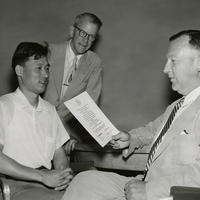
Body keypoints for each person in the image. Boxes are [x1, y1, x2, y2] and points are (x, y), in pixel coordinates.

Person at [61, 29, 200, 200]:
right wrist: (131, 138)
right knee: (86, 181)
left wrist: (150, 191)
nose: (165, 69)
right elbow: (152, 130)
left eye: (173, 61)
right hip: (147, 182)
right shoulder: (177, 106)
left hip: (170, 192)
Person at [0, 42, 73, 200]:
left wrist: (63, 175)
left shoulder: (50, 110)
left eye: (47, 68)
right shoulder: (3, 106)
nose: (46, 75)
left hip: (48, 184)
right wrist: (41, 176)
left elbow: (58, 153)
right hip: (16, 186)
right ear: (20, 70)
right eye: (38, 68)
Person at [43, 12, 103, 150]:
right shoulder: (50, 51)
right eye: (83, 33)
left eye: (91, 36)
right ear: (72, 31)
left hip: (68, 137)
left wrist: (71, 136)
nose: (86, 40)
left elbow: (89, 108)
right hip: (37, 126)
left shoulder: (95, 63)